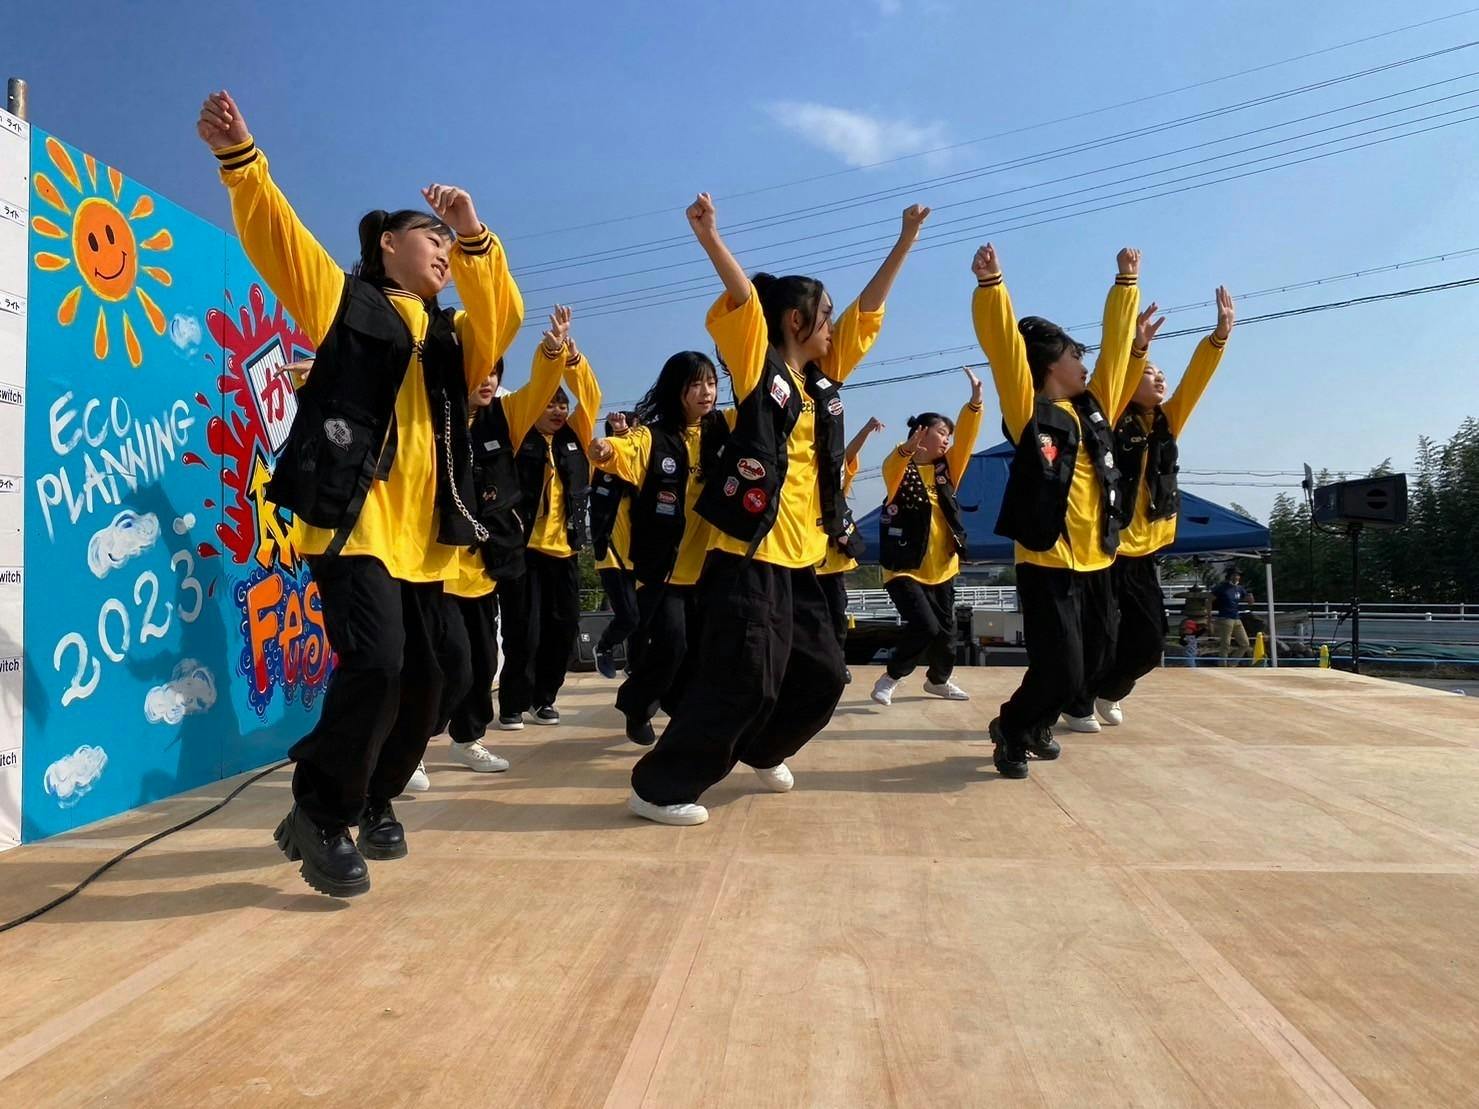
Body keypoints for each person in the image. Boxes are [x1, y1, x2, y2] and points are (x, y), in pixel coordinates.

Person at [197, 91, 522, 895]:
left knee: (436, 678)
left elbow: (503, 313)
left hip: (427, 543)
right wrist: (242, 161)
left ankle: (376, 795)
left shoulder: (456, 335)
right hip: (355, 526)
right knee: (375, 662)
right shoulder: (347, 303)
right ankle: (320, 812)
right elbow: (281, 240)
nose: (442, 248)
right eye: (430, 235)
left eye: (450, 241)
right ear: (386, 243)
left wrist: (474, 232)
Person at [625, 197, 930, 825]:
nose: (833, 327)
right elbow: (743, 305)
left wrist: (904, 241)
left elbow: (867, 313)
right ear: (795, 321)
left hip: (804, 560)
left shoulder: (823, 380)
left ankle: (763, 748)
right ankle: (658, 788)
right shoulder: (759, 369)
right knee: (744, 679)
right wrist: (713, 239)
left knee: (824, 676)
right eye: (824, 316)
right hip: (749, 555)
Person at [971, 240, 1142, 779]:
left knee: (1096, 662)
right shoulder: (1029, 410)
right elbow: (1004, 350)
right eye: (1075, 357)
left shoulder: (1096, 408)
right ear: (1050, 365)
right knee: (1062, 667)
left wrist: (1126, 287)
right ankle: (1013, 729)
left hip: (1099, 560)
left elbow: (1117, 355)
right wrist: (992, 287)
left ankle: (1036, 721)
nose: (1086, 364)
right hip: (1048, 561)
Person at [1082, 287, 1235, 723]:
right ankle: (1078, 700)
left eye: (1161, 373)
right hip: (1106, 547)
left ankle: (1110, 691)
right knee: (1098, 633)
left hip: (1145, 550)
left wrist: (1219, 338)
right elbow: (1114, 376)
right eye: (1151, 374)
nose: (1161, 379)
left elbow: (1195, 381)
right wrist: (1137, 350)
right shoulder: (1110, 419)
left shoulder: (1168, 420)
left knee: (1151, 640)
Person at [438, 307, 577, 774]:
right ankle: (412, 747)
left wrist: (552, 352)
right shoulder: (432, 414)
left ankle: (468, 739)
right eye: (479, 370)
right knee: (447, 662)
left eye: (495, 371)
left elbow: (539, 389)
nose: (488, 380)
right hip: (433, 568)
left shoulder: (506, 418)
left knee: (483, 662)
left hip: (483, 569)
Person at [588, 351, 727, 745]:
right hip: (662, 569)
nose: (706, 392)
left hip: (709, 568)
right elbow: (626, 450)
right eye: (696, 384)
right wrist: (605, 451)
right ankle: (636, 706)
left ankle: (682, 710)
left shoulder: (724, 427)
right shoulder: (653, 436)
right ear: (676, 389)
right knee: (670, 644)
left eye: (711, 383)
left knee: (699, 651)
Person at [495, 330, 602, 727]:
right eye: (550, 403)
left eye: (562, 403)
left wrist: (573, 361)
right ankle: (513, 704)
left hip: (565, 551)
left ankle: (544, 698)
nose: (558, 410)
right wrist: (551, 355)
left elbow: (591, 396)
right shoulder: (518, 431)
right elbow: (533, 390)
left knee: (564, 627)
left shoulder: (576, 436)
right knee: (524, 630)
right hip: (524, 551)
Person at [870, 368, 984, 706]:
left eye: (949, 435)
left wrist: (975, 404)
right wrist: (906, 449)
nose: (947, 440)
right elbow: (892, 464)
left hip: (942, 568)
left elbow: (967, 439)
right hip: (904, 567)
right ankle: (891, 677)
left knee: (947, 635)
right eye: (942, 433)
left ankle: (938, 681)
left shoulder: (947, 469)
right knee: (925, 626)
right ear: (921, 433)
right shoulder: (899, 469)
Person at [816, 416, 885, 684]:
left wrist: (866, 430)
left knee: (836, 615)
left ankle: (836, 663)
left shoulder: (833, 475)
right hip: (799, 561)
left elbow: (848, 455)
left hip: (831, 562)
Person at [590, 411, 641, 680]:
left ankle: (636, 666)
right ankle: (604, 647)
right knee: (629, 616)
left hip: (641, 556)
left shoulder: (642, 469)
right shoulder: (600, 468)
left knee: (643, 619)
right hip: (610, 554)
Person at [1211, 566, 1254, 665]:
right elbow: (1209, 599)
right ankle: (1222, 664)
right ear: (1229, 576)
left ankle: (1231, 663)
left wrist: (1250, 598)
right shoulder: (1222, 587)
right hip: (1225, 618)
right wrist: (1209, 616)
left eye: (1238, 575)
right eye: (1234, 575)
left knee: (1245, 644)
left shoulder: (1240, 588)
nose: (1236, 577)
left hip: (1236, 618)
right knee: (1225, 643)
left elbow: (1250, 602)